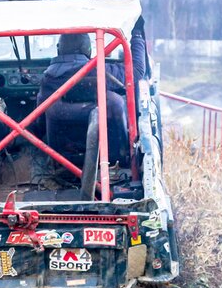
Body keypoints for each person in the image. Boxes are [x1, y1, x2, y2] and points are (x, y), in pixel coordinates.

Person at [33, 18, 147, 188]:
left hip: (63, 162)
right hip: (111, 163)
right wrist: (137, 35)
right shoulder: (100, 71)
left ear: (59, 49)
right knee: (116, 103)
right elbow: (136, 71)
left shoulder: (48, 79)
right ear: (87, 50)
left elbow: (39, 125)